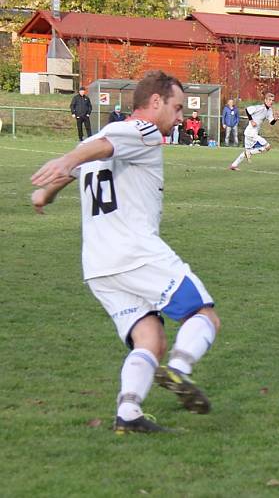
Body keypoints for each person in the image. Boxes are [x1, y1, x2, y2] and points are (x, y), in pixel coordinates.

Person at [30, 70, 221, 433]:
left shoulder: (102, 135)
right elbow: (95, 153)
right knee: (205, 316)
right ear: (155, 102)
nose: (180, 117)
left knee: (150, 337)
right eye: (177, 107)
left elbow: (91, 154)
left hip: (99, 265)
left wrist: (47, 192)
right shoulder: (144, 132)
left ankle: (128, 414)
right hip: (135, 253)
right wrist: (67, 162)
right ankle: (180, 370)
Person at [229, 93, 278, 171]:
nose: (271, 102)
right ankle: (250, 153)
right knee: (267, 147)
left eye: (272, 100)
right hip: (252, 133)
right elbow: (247, 110)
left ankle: (233, 165)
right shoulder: (259, 107)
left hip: (249, 133)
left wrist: (275, 119)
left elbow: (271, 123)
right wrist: (251, 121)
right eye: (269, 100)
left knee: (246, 152)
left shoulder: (269, 110)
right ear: (265, 100)